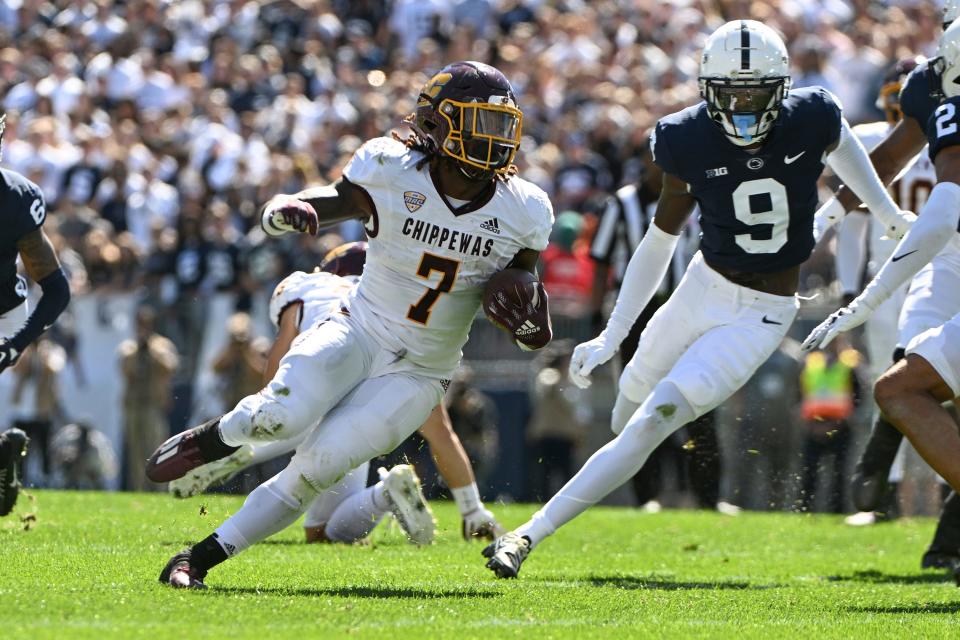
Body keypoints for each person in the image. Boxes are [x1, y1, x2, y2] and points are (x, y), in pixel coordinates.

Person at [483, 20, 913, 578]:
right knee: (626, 409)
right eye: (727, 92)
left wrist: (885, 213)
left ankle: (526, 535)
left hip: (760, 315)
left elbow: (850, 154)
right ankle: (618, 466)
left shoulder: (814, 115)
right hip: (700, 289)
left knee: (651, 420)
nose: (739, 105)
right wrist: (612, 335)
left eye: (753, 91)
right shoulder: (685, 138)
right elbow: (657, 244)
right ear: (706, 90)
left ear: (779, 88)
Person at [147, 61, 554, 588]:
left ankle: (194, 560)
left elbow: (527, 299)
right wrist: (289, 204)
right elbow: (333, 200)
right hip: (359, 328)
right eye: (480, 122)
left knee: (317, 467)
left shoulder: (525, 209)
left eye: (502, 126)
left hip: (421, 372)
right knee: (277, 417)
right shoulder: (391, 169)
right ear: (439, 124)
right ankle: (217, 436)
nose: (494, 139)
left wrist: (531, 328)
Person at [171, 242, 505, 545]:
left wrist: (267, 405)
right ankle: (384, 494)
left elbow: (277, 364)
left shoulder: (308, 287)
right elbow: (442, 435)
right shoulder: (394, 308)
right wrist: (472, 510)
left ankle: (235, 452)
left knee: (284, 417)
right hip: (387, 374)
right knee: (323, 520)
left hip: (323, 366)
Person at [803, 19, 960, 581]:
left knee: (904, 387)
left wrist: (865, 301)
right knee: (906, 381)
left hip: (931, 249)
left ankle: (928, 519)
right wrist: (824, 219)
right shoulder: (930, 87)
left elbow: (941, 214)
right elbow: (885, 164)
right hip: (940, 259)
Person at [833, 59, 937, 526]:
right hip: (887, 281)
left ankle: (938, 496)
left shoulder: (946, 136)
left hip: (938, 278)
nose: (898, 104)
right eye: (894, 95)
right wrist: (848, 290)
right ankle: (888, 494)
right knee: (886, 382)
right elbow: (851, 230)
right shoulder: (872, 139)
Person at [0, 111, 72, 516]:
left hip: (4, 313)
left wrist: (16, 345)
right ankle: (2, 461)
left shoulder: (15, 198)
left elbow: (57, 289)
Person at [797, 340, 862, 513]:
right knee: (809, 471)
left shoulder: (848, 365)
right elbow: (801, 394)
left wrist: (836, 423)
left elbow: (857, 397)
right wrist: (812, 424)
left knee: (839, 473)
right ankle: (806, 508)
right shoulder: (811, 363)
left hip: (840, 426)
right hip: (814, 427)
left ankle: (837, 510)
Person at [119, 306, 179, 492]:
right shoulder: (129, 347)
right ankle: (138, 488)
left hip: (154, 405)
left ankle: (158, 490)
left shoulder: (161, 345)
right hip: (134, 405)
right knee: (136, 451)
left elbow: (170, 367)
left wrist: (151, 349)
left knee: (156, 448)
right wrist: (139, 349)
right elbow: (125, 371)